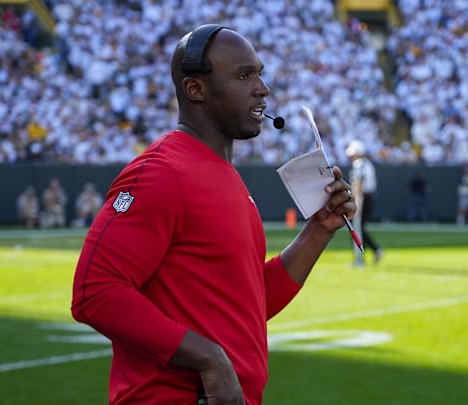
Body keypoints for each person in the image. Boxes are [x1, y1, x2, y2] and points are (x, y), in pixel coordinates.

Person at [70, 24, 356, 405]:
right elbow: (94, 291)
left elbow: (247, 302)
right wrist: (210, 358)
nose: (262, 88)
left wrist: (319, 230)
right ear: (195, 89)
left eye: (259, 73)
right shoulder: (161, 172)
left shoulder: (222, 174)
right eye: (243, 75)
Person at [345, 139, 383, 266]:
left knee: (356, 228)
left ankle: (359, 259)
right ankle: (375, 249)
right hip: (369, 197)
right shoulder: (367, 164)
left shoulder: (359, 164)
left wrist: (357, 202)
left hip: (363, 198)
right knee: (359, 227)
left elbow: (358, 184)